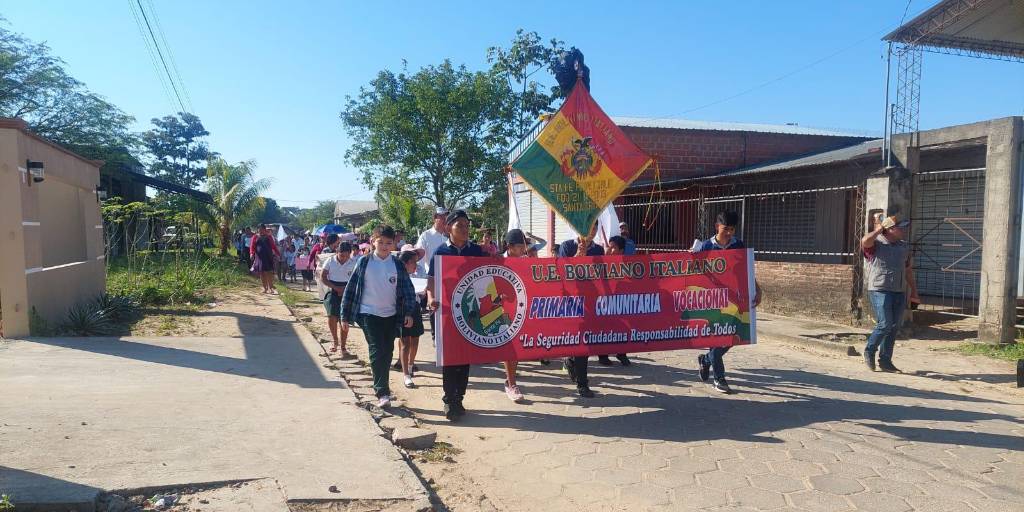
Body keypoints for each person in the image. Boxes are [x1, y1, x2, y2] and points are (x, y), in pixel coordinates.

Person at [340, 225, 417, 408]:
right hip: (368, 313)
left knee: (388, 350)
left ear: (394, 244)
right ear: (373, 241)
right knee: (377, 349)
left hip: (391, 315)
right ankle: (382, 391)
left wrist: (408, 312)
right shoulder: (364, 262)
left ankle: (382, 386)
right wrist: (344, 316)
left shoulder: (397, 264)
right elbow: (351, 289)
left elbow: (408, 290)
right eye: (380, 242)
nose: (384, 246)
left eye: (388, 243)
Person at [426, 210, 486, 421]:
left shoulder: (476, 251)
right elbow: (431, 280)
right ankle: (449, 400)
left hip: (470, 312)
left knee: (464, 357)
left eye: (467, 225)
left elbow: (489, 274)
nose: (465, 229)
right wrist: (430, 298)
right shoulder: (440, 252)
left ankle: (459, 397)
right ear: (448, 228)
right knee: (450, 357)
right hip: (447, 312)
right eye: (459, 225)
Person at [692, 211, 762, 394]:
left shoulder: (738, 245)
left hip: (735, 299)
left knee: (732, 336)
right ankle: (719, 378)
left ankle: (705, 360)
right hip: (713, 300)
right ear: (717, 227)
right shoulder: (706, 246)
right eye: (726, 229)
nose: (729, 233)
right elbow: (695, 271)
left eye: (732, 229)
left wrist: (757, 289)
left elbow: (746, 270)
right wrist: (691, 257)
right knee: (717, 337)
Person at [861, 213, 918, 373]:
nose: (904, 231)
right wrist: (880, 228)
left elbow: (908, 270)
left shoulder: (903, 246)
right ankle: (869, 351)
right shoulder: (876, 243)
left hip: (898, 291)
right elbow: (864, 241)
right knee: (885, 324)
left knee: (894, 327)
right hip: (880, 289)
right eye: (901, 228)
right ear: (890, 229)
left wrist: (914, 292)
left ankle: (885, 361)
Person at [557, 222, 603, 398]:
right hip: (571, 301)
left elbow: (601, 275)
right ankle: (582, 383)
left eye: (595, 228)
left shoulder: (598, 250)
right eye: (589, 227)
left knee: (585, 342)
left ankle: (572, 363)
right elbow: (560, 271)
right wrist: (577, 256)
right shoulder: (567, 246)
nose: (592, 231)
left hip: (590, 300)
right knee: (580, 341)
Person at [498, 229, 533, 402]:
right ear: (509, 246)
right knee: (509, 347)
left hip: (520, 308)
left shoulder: (525, 261)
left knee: (517, 347)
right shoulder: (498, 261)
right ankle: (511, 384)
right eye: (520, 246)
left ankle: (510, 378)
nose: (523, 250)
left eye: (524, 246)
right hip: (502, 309)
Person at [597, 236, 633, 367]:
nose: (609, 249)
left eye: (613, 247)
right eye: (608, 246)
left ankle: (621, 353)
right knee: (604, 328)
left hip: (620, 301)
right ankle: (603, 355)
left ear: (621, 250)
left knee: (623, 328)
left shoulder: (627, 264)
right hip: (603, 301)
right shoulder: (599, 262)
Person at [416, 207, 450, 342]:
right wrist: (423, 281)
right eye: (441, 216)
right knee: (434, 306)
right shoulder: (426, 236)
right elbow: (419, 258)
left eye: (446, 216)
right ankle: (436, 336)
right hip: (433, 278)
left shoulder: (449, 235)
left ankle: (447, 336)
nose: (444, 219)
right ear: (435, 218)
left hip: (449, 278)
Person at [321, 239, 356, 356]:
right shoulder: (330, 261)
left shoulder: (353, 263)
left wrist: (345, 289)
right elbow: (323, 277)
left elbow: (357, 280)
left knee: (344, 319)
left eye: (346, 256)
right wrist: (335, 288)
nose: (344, 258)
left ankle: (343, 347)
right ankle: (335, 341)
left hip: (347, 290)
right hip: (333, 289)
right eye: (341, 255)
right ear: (337, 252)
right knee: (331, 315)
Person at [397, 248, 425, 388]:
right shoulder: (397, 276)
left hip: (415, 307)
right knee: (405, 342)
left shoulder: (417, 273)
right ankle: (406, 374)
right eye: (414, 262)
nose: (416, 265)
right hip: (403, 310)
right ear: (406, 263)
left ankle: (411, 364)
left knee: (415, 338)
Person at [250, 224, 281, 294]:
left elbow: (273, 246)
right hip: (259, 258)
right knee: (262, 273)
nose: (260, 231)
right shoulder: (255, 237)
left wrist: (278, 254)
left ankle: (271, 287)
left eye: (262, 229)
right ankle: (265, 288)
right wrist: (251, 254)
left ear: (264, 229)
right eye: (259, 229)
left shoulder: (269, 237)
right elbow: (252, 246)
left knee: (269, 272)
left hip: (268, 257)